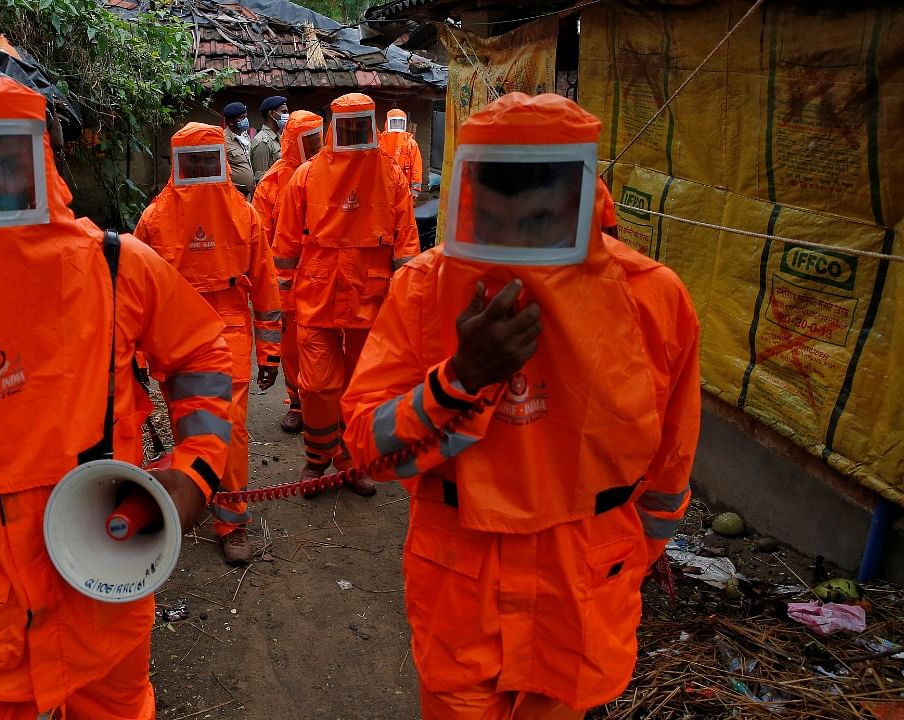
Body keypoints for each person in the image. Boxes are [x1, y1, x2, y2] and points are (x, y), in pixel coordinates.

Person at [0, 76, 234, 719]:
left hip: (103, 591)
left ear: (39, 162)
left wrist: (196, 470)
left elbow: (201, 354)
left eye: (2, 162)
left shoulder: (118, 270)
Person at [342, 92, 700, 718]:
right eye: (497, 217)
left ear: (578, 198)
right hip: (461, 582)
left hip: (584, 587)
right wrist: (459, 381)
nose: (514, 241)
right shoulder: (425, 289)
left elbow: (669, 470)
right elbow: (369, 453)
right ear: (470, 196)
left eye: (537, 219)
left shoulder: (652, 298)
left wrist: (618, 560)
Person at [133, 122, 282, 566]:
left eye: (205, 162)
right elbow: (136, 295)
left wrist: (270, 350)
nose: (199, 171)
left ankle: (232, 522)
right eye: (192, 163)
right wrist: (138, 356)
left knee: (228, 432)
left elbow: (266, 288)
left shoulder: (242, 214)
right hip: (175, 332)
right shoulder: (156, 218)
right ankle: (194, 496)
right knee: (187, 427)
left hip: (226, 331)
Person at [272, 92, 419, 498]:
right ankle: (318, 459)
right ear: (333, 126)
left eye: (361, 125)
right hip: (315, 297)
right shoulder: (306, 176)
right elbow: (284, 249)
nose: (354, 134)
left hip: (370, 301)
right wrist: (283, 308)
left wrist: (404, 308)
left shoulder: (391, 176)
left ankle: (352, 462)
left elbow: (407, 247)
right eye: (347, 125)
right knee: (317, 386)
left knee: (360, 389)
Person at [251, 110, 323, 434]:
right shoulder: (273, 183)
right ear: (294, 142)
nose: (316, 146)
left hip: (324, 279)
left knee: (324, 349)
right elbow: (260, 235)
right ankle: (297, 403)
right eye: (309, 140)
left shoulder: (331, 173)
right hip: (289, 283)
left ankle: (323, 404)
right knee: (292, 349)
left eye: (319, 138)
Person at [379, 108, 424, 198]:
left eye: (400, 122)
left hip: (404, 188)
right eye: (394, 122)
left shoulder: (411, 144)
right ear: (387, 123)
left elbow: (416, 167)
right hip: (384, 188)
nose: (396, 125)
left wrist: (415, 190)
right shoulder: (380, 142)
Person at [250, 95, 288, 184]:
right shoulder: (262, 141)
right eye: (283, 112)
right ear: (271, 114)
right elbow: (261, 180)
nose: (287, 115)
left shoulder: (279, 137)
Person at [222, 101, 255, 197]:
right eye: (241, 118)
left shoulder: (245, 135)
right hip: (234, 195)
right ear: (231, 122)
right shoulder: (223, 140)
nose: (246, 120)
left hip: (248, 194)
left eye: (246, 116)